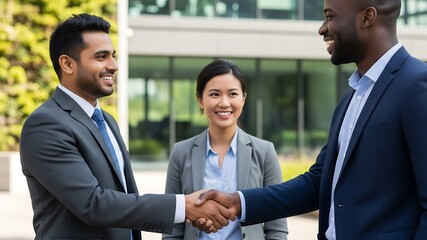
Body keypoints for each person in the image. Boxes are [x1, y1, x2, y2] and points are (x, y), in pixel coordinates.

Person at [195, 0, 427, 239]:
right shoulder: (350, 100)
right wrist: (237, 202)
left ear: (367, 17)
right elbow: (318, 183)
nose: (322, 28)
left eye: (330, 16)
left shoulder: (417, 86)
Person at [19, 13, 234, 240]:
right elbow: (92, 203)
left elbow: (125, 198)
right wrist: (183, 207)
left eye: (113, 56)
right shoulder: (45, 124)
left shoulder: (107, 120)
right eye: (101, 57)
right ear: (67, 64)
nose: (114, 65)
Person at [162, 59, 288, 240]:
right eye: (214, 94)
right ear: (200, 100)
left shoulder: (264, 152)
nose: (224, 103)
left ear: (243, 99)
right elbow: (173, 228)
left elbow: (277, 228)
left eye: (232, 94)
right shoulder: (181, 152)